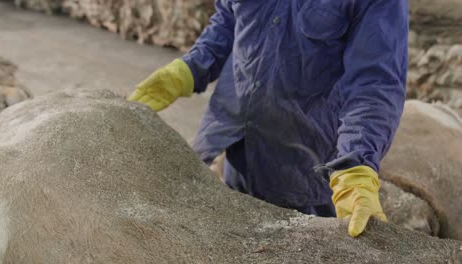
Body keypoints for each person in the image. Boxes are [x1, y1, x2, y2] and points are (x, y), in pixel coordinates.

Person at [129, 0, 408, 237]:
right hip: (238, 150)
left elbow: (374, 85)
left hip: (305, 173)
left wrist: (356, 161)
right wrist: (189, 69)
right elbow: (228, 22)